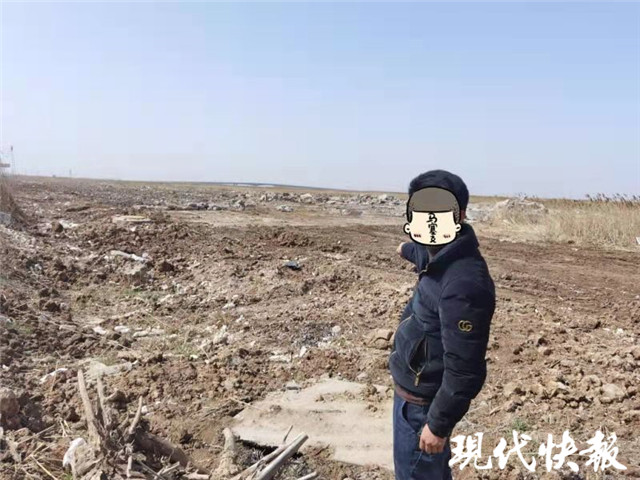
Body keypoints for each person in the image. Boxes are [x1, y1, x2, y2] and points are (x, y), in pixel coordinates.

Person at [390, 170, 496, 480]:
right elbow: (423, 254)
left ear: (459, 215)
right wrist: (406, 250)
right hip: (411, 394)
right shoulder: (439, 253)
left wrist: (437, 425)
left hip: (424, 408)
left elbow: (465, 369)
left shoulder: (464, 284)